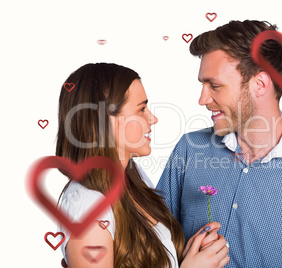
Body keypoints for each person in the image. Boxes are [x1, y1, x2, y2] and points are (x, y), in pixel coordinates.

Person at [156, 20, 282, 267]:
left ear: (260, 84)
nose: (202, 99)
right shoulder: (189, 149)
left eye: (214, 86)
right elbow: (147, 248)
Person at [56, 63, 230, 268]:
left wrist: (184, 255)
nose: (152, 119)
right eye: (141, 109)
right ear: (104, 120)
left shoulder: (134, 177)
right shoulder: (86, 205)